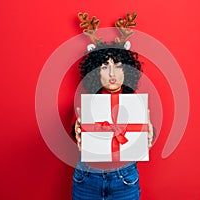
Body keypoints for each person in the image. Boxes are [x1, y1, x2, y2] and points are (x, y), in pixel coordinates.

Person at [71, 12, 154, 200]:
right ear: (94, 72)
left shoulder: (136, 103)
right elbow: (74, 126)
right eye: (104, 67)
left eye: (118, 66)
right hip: (87, 178)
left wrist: (149, 133)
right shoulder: (84, 101)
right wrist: (76, 129)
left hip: (124, 179)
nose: (111, 73)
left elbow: (142, 131)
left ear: (127, 71)